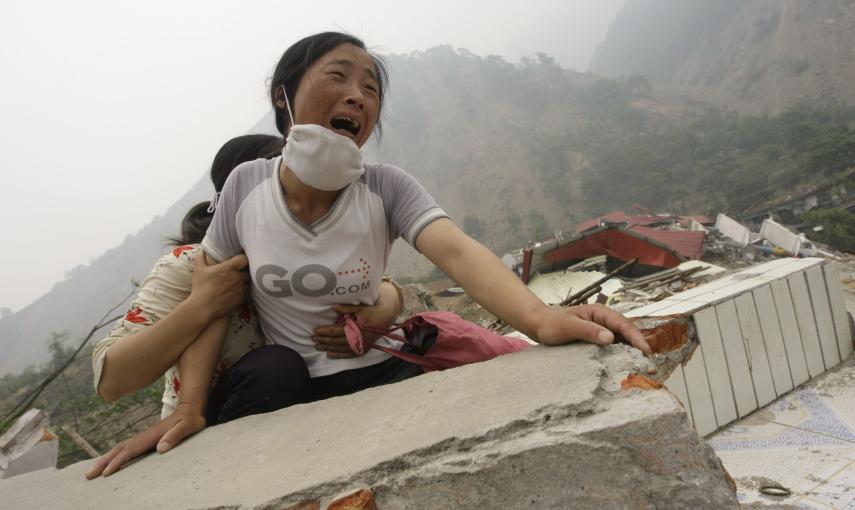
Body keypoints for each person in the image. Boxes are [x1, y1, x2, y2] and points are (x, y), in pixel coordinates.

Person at [196, 32, 651, 416]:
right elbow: (208, 299)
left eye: (370, 89)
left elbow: (457, 253)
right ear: (283, 94)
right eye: (337, 75)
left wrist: (540, 319)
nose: (357, 94)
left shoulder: (387, 186)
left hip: (386, 368)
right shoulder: (245, 185)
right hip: (295, 391)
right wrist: (187, 409)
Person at [86, 134, 403, 479]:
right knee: (277, 368)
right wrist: (202, 305)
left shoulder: (305, 258)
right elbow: (111, 380)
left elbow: (374, 289)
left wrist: (389, 301)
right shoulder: (190, 266)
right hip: (211, 427)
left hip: (300, 418)